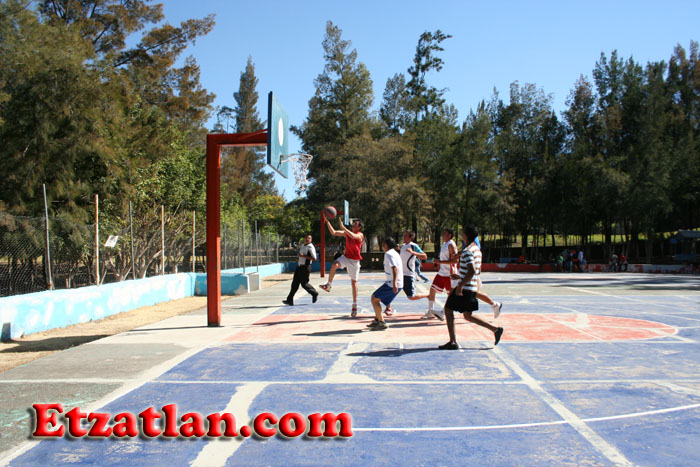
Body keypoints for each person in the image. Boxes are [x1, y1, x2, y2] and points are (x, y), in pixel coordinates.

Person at [439, 225, 503, 350]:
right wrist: (460, 276)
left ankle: (453, 342)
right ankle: (496, 330)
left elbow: (472, 270)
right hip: (472, 287)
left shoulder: (467, 251)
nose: (461, 234)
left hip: (466, 289)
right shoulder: (477, 250)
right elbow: (476, 271)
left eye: (462, 233)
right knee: (468, 316)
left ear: (466, 235)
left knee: (448, 310)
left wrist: (460, 285)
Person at [319, 218, 365, 317]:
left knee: (354, 282)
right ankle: (328, 285)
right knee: (334, 265)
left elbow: (353, 236)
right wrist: (327, 222)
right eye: (353, 223)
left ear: (359, 227)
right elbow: (333, 232)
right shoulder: (346, 233)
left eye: (356, 224)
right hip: (346, 257)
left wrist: (343, 227)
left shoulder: (360, 235)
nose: (353, 225)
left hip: (355, 261)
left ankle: (354, 305)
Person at [385, 231, 429, 316]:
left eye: (405, 236)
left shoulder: (414, 246)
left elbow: (424, 256)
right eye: (404, 235)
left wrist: (413, 252)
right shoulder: (403, 246)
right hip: (400, 274)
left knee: (411, 297)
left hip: (408, 275)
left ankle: (427, 295)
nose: (403, 237)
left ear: (410, 237)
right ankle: (388, 308)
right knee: (391, 289)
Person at [421, 228, 459, 321]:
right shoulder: (444, 244)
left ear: (449, 235)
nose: (442, 235)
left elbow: (455, 260)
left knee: (450, 295)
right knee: (432, 289)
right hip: (442, 273)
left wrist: (440, 262)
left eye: (444, 233)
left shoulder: (451, 244)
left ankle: (443, 313)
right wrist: (439, 263)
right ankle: (430, 312)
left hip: (449, 274)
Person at [366, 237, 403, 331]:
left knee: (374, 299)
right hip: (394, 282)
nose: (382, 246)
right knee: (376, 298)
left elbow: (395, 268)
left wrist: (394, 283)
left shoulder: (389, 254)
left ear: (387, 245)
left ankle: (381, 322)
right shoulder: (394, 253)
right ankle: (377, 320)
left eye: (383, 244)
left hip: (392, 283)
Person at [282, 234, 319, 306]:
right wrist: (299, 258)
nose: (307, 239)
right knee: (294, 283)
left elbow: (314, 258)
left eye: (309, 238)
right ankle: (289, 300)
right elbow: (301, 255)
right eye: (306, 238)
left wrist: (303, 256)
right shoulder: (303, 245)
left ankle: (314, 293)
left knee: (304, 284)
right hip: (299, 266)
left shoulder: (310, 247)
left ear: (311, 240)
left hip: (305, 267)